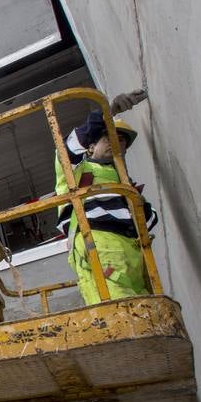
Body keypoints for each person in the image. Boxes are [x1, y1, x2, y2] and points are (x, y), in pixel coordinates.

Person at [54, 88, 159, 305]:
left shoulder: (126, 186)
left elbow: (149, 220)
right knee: (123, 316)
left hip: (133, 257)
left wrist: (132, 194)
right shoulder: (78, 172)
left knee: (146, 315)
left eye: (121, 140)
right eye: (108, 136)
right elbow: (66, 150)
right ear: (91, 146)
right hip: (98, 247)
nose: (115, 142)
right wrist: (107, 111)